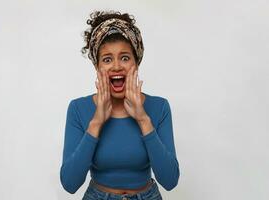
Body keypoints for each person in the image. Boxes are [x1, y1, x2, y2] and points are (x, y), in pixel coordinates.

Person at [60, 10, 180, 200]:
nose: (116, 66)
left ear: (136, 62)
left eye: (125, 57)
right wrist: (96, 122)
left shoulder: (159, 107)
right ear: (97, 66)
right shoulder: (78, 109)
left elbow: (170, 181)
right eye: (107, 59)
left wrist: (143, 119)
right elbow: (70, 184)